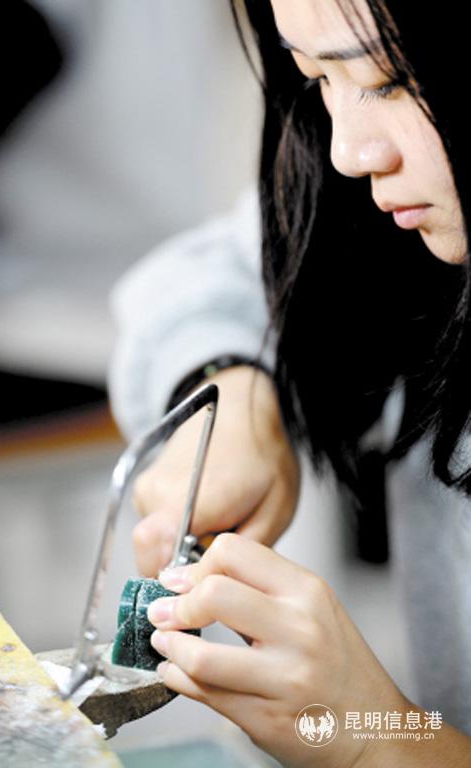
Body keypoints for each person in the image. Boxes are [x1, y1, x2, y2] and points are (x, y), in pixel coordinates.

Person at [109, 0, 471, 765]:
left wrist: (378, 739)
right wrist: (233, 387)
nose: (349, 153)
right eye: (317, 79)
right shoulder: (401, 216)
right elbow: (216, 272)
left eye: (390, 78)